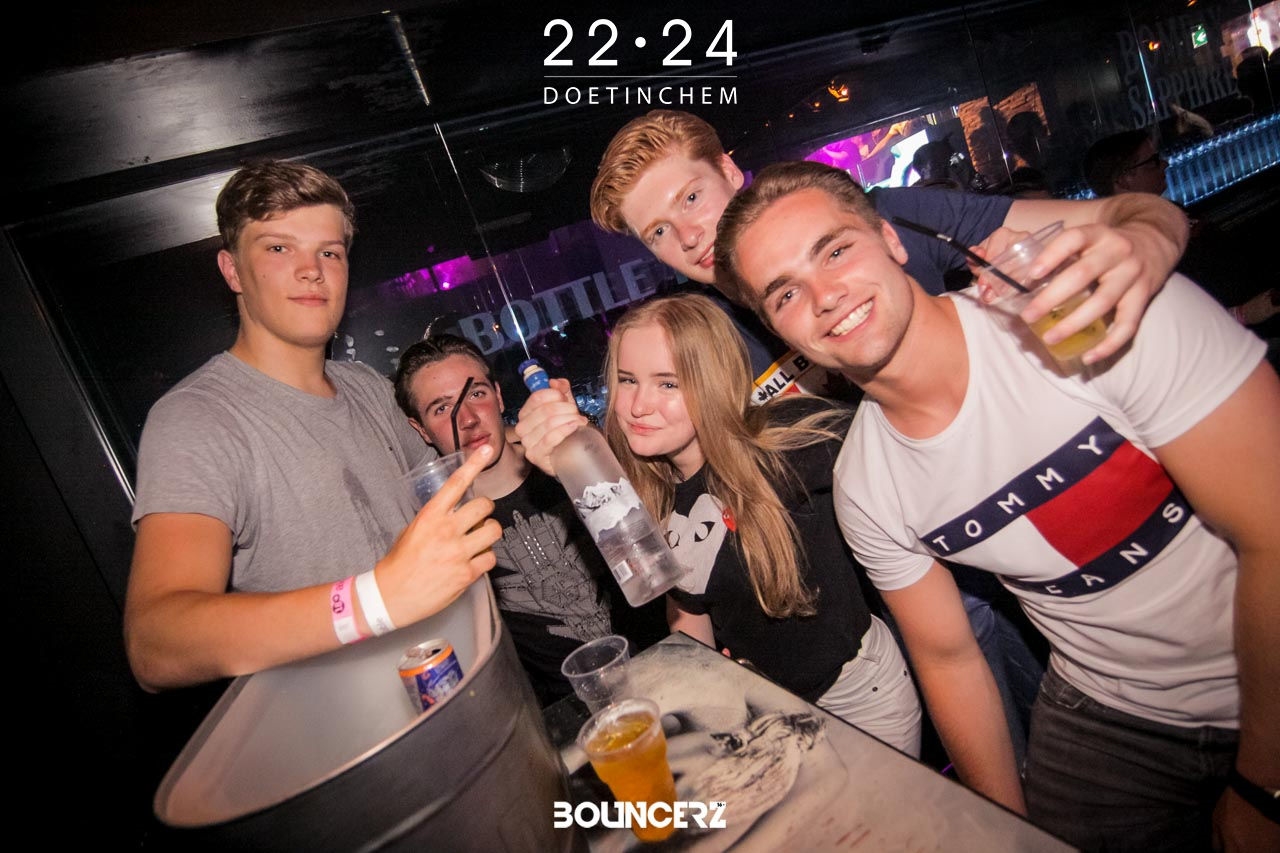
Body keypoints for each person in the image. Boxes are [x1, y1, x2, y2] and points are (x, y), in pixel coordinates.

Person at [589, 107, 1189, 767]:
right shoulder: (701, 338)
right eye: (658, 231)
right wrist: (569, 446)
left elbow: (1123, 215)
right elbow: (663, 457)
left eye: (691, 197)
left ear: (729, 170)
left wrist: (1149, 242)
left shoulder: (865, 227)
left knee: (1122, 725)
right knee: (1011, 763)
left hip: (1025, 520)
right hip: (882, 587)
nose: (689, 234)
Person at [712, 160, 1280, 852]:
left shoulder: (1088, 313)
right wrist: (1001, 831)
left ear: (892, 241)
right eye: (786, 294)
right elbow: (950, 660)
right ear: (780, 332)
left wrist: (1262, 786)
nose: (825, 296)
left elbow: (1272, 534)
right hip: (1107, 707)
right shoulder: (866, 485)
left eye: (835, 251)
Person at [124, 160, 502, 692]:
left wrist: (537, 443)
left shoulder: (366, 387)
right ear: (232, 271)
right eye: (279, 248)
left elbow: (449, 487)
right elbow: (156, 642)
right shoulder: (198, 417)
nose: (312, 270)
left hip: (457, 683)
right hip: (348, 730)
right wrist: (373, 600)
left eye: (329, 252)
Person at [516, 292, 924, 756]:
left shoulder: (787, 445)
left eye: (668, 384)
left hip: (858, 698)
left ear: (712, 381)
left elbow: (912, 447)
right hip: (766, 712)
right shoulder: (644, 489)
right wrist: (712, 685)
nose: (638, 406)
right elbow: (688, 612)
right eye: (628, 380)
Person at [392, 333, 665, 706]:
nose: (468, 419)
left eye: (476, 394)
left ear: (499, 396)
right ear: (420, 429)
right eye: (442, 409)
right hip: (570, 713)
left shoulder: (570, 460)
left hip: (664, 663)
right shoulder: (446, 531)